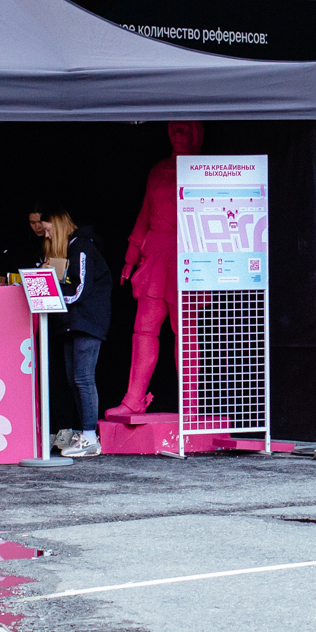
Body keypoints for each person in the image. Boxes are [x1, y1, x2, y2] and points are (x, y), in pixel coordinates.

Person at [111, 121, 201, 416]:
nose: (178, 134)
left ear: (197, 133)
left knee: (186, 334)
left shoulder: (205, 170)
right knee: (143, 330)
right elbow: (145, 212)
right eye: (174, 128)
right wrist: (130, 257)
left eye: (185, 128)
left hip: (189, 258)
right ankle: (133, 398)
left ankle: (190, 405)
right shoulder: (158, 170)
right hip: (155, 256)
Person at [33, 205, 111, 457]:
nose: (45, 235)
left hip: (87, 321)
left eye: (47, 230)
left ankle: (90, 438)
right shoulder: (66, 249)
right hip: (70, 322)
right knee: (73, 379)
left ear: (58, 226)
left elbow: (80, 289)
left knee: (83, 378)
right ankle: (83, 432)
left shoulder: (82, 245)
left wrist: (52, 293)